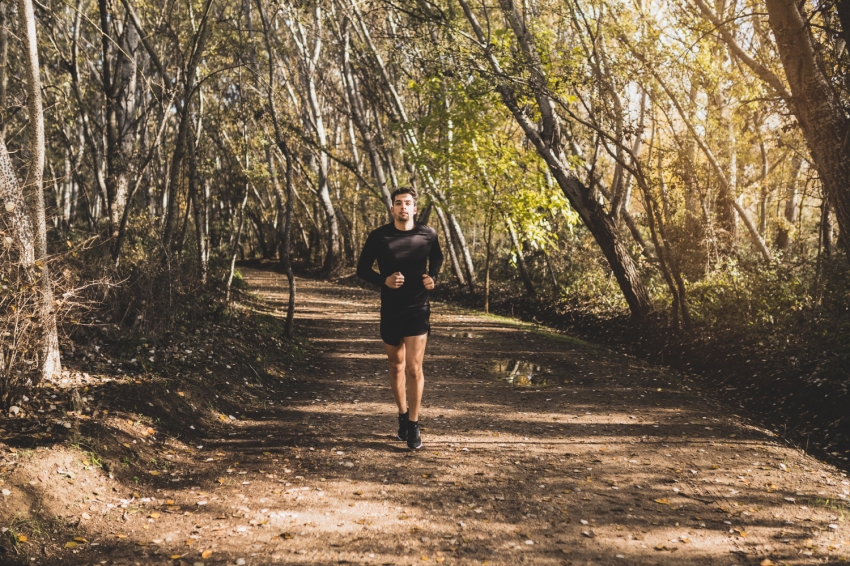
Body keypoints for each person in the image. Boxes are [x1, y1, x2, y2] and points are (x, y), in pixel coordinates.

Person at [356, 187, 444, 449]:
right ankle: (403, 416)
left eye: (408, 203)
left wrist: (433, 277)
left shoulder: (428, 234)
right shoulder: (379, 237)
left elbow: (436, 257)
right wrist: (383, 280)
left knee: (414, 367)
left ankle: (415, 425)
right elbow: (362, 269)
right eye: (398, 203)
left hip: (418, 308)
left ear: (415, 208)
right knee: (396, 366)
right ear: (392, 209)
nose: (403, 207)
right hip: (391, 310)